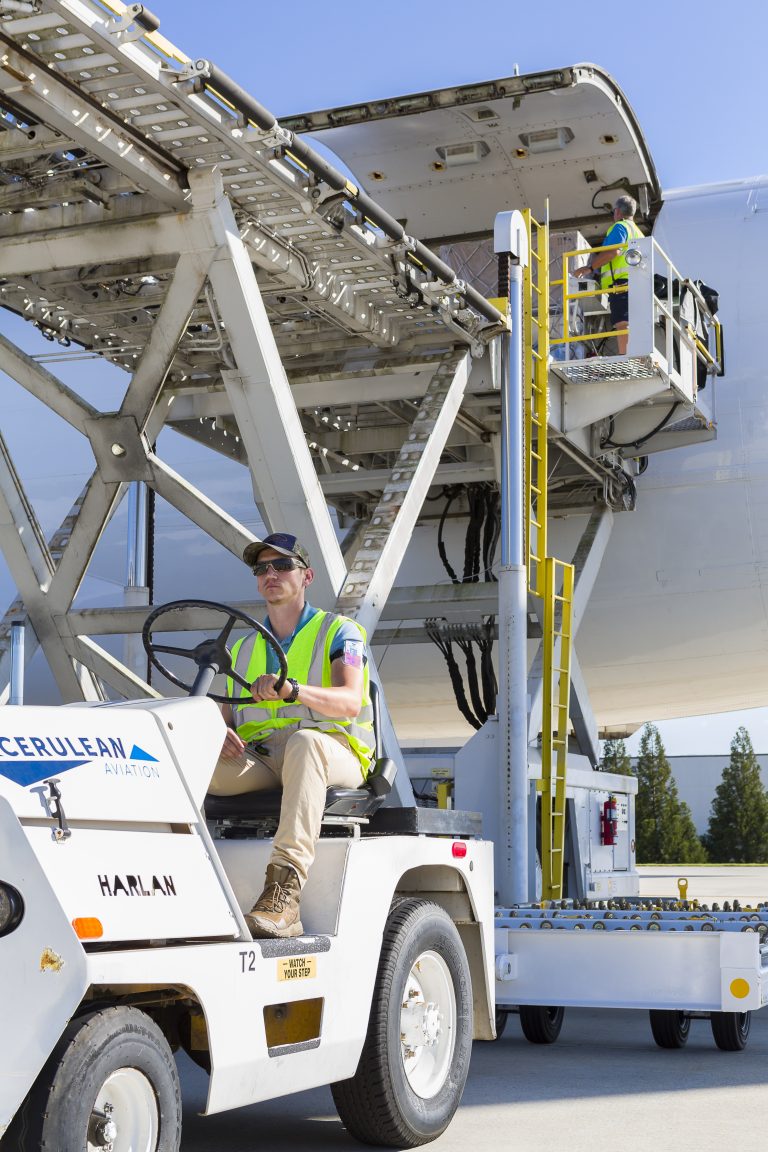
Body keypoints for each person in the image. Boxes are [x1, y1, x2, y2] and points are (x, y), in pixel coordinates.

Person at [209, 532, 374, 938]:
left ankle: (284, 894)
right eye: (262, 568)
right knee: (184, 761)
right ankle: (174, 879)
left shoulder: (341, 631)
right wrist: (215, 731)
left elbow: (350, 701)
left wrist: (293, 690)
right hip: (263, 759)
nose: (271, 574)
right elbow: (222, 711)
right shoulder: (244, 646)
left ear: (307, 576)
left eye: (283, 566)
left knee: (305, 744)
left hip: (333, 751)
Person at [574, 194, 644, 355]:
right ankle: (633, 355)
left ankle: (625, 357)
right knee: (632, 323)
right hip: (637, 284)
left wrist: (590, 268)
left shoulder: (620, 227)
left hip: (622, 284)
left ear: (618, 211)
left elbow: (614, 251)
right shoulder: (639, 233)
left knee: (622, 323)